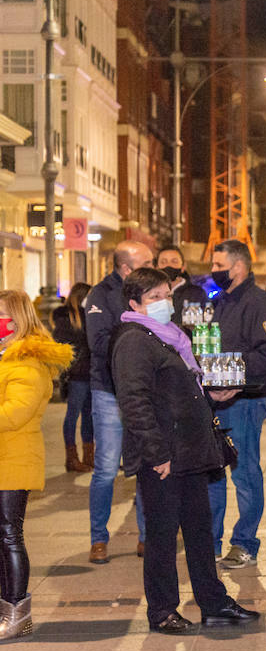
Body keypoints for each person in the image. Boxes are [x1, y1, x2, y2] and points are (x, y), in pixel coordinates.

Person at [110, 268, 258, 634]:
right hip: (164, 455)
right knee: (162, 535)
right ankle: (162, 610)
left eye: (165, 293)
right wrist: (157, 453)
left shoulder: (171, 337)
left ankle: (213, 602)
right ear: (134, 304)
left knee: (198, 529)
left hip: (189, 451)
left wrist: (211, 393)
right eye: (153, 297)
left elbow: (177, 390)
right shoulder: (134, 340)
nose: (164, 302)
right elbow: (134, 402)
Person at [207, 239, 266, 570]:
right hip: (215, 399)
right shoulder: (220, 302)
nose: (213, 271)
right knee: (212, 471)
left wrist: (232, 380)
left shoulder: (260, 303)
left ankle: (244, 542)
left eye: (217, 265)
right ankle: (209, 541)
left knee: (245, 470)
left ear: (237, 267)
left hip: (246, 399)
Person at [0, 290, 72, 640]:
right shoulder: (5, 357)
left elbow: (15, 413)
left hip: (13, 457)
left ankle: (17, 613)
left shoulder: (25, 361)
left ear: (17, 318)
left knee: (9, 534)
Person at [85, 240, 153, 564]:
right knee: (107, 468)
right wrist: (136, 332)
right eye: (146, 262)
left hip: (141, 391)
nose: (153, 267)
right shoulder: (100, 295)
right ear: (126, 268)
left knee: (143, 465)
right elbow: (98, 342)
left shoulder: (149, 290)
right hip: (109, 391)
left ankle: (145, 535)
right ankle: (98, 538)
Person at [51, 283, 93, 473]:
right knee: (72, 415)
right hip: (77, 375)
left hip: (91, 372)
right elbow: (63, 343)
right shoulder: (66, 316)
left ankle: (89, 456)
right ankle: (72, 457)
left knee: (88, 416)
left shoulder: (87, 314)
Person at [155, 246, 208, 327]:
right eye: (163, 262)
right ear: (157, 267)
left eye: (174, 262)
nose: (168, 266)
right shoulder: (150, 294)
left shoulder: (196, 293)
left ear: (183, 266)